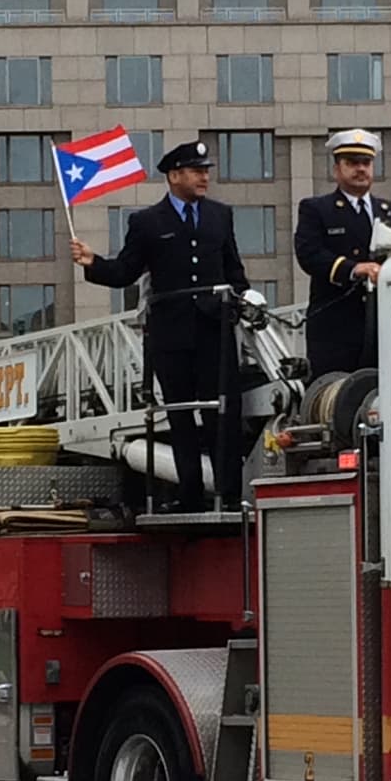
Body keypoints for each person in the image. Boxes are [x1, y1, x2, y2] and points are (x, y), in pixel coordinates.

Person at [70, 139, 248, 514]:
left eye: (206, 171)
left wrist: (243, 300)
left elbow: (233, 269)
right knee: (180, 415)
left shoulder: (220, 215)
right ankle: (190, 494)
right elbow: (125, 271)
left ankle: (230, 492)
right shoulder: (147, 222)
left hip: (215, 331)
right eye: (196, 171)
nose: (204, 177)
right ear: (174, 176)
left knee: (224, 413)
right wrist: (92, 262)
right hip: (172, 334)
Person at [294, 128, 391, 379]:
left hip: (384, 323)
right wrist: (353, 269)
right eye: (352, 163)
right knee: (337, 393)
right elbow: (309, 254)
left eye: (366, 163)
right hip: (336, 328)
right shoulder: (317, 209)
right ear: (336, 169)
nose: (360, 169)